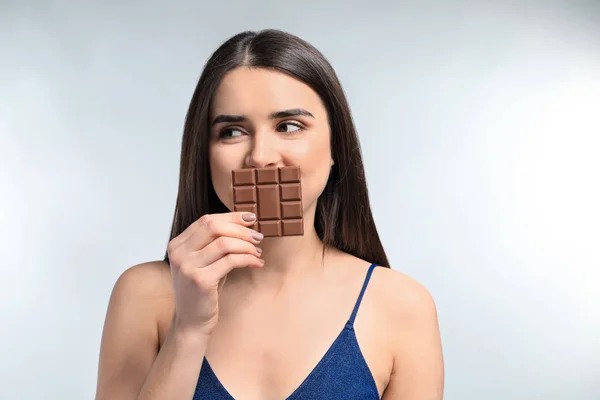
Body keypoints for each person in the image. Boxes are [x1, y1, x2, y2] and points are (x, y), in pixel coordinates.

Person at [95, 29, 444, 400]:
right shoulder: (144, 296)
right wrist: (189, 330)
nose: (260, 156)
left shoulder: (402, 307)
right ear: (204, 155)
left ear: (335, 147)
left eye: (289, 126)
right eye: (231, 131)